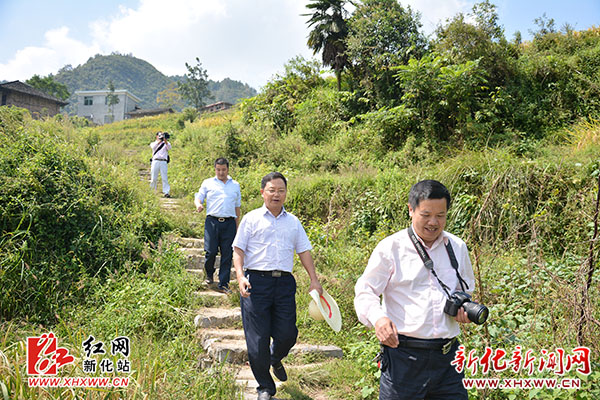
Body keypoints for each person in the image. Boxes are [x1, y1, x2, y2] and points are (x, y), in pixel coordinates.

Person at [354, 180, 476, 400]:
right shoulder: (391, 247)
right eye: (426, 214)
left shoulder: (457, 247)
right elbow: (365, 291)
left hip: (448, 360)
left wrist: (464, 309)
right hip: (404, 358)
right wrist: (378, 318)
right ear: (411, 210)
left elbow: (465, 289)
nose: (433, 222)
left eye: (441, 215)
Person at [232, 172, 323, 400]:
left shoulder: (293, 222)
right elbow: (238, 250)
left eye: (281, 190)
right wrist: (240, 276)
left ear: (285, 194)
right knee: (257, 339)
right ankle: (265, 387)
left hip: (284, 283)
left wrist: (314, 279)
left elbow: (303, 251)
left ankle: (275, 357)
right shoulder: (251, 218)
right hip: (256, 282)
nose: (276, 194)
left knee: (287, 333)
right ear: (263, 192)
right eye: (272, 190)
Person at [194, 158, 241, 293]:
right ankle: (209, 274)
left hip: (229, 222)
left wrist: (237, 226)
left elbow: (237, 206)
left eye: (223, 170)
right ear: (215, 169)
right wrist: (199, 205)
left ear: (228, 169)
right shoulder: (208, 183)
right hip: (212, 222)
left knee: (227, 254)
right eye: (218, 170)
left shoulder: (235, 185)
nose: (221, 172)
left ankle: (224, 283)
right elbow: (199, 196)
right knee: (211, 251)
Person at [150, 131, 171, 198]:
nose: (161, 137)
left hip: (163, 161)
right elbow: (153, 147)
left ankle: (166, 192)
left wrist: (165, 141)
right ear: (157, 136)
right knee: (153, 178)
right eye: (159, 135)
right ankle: (152, 192)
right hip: (155, 161)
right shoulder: (153, 143)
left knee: (164, 177)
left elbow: (169, 148)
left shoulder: (166, 143)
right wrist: (159, 141)